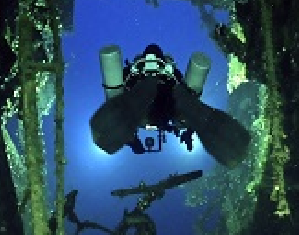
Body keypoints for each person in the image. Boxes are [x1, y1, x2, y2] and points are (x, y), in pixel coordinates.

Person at [89, 44, 250, 168]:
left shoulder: (133, 72)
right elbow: (184, 95)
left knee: (140, 100)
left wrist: (131, 141)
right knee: (187, 106)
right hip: (169, 101)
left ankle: (162, 99)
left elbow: (121, 104)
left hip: (147, 100)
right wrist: (188, 126)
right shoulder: (169, 72)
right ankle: (234, 148)